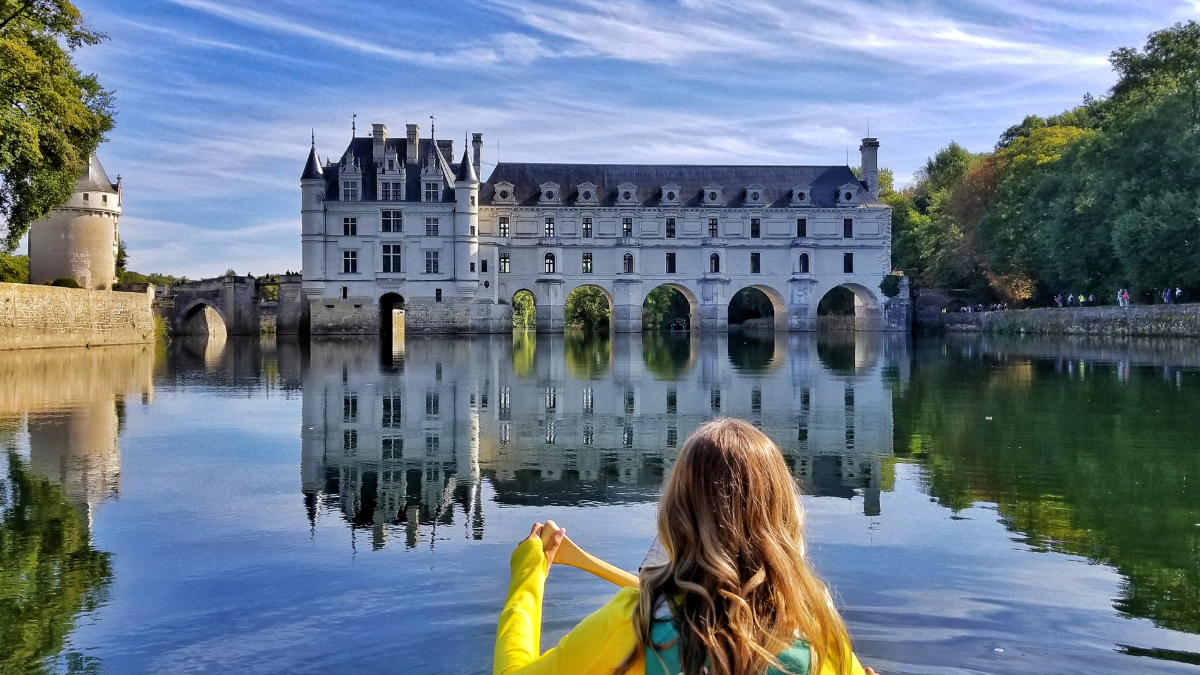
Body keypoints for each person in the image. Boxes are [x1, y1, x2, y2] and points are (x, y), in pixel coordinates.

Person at [495, 419, 874, 675]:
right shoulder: (816, 633)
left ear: (676, 513)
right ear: (785, 517)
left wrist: (528, 574)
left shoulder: (634, 622)